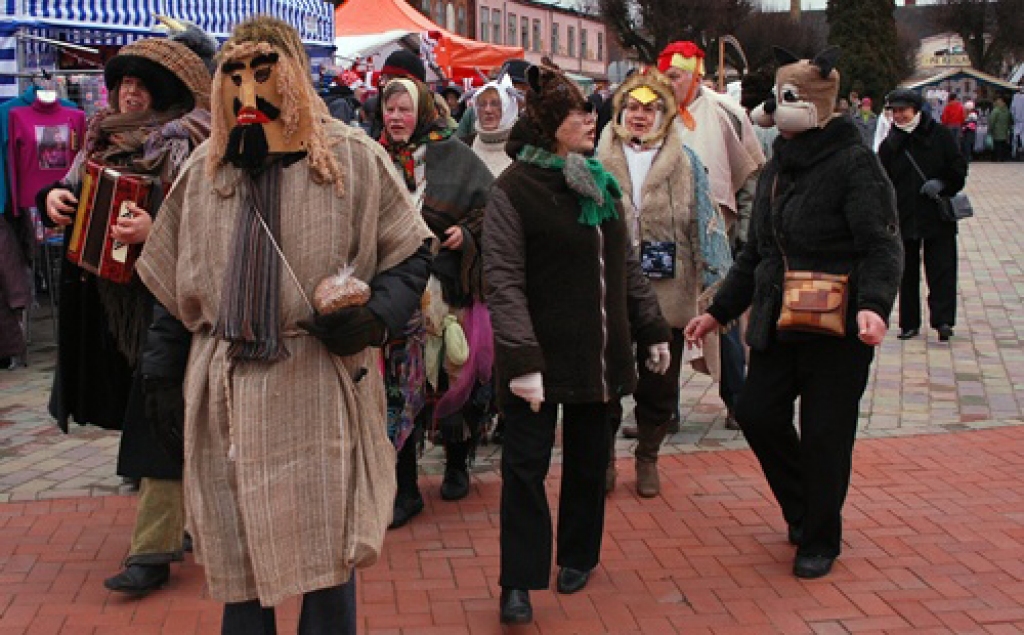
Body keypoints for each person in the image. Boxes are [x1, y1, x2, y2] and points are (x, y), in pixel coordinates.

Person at [135, 17, 434, 633]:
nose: (248, 93)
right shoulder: (205, 170)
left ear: (294, 75)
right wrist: (160, 374)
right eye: (234, 77)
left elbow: (410, 252)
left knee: (326, 551)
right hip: (225, 392)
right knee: (238, 552)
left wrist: (375, 317)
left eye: (263, 74)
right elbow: (170, 284)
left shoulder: (350, 159)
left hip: (316, 385)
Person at [685, 46, 903, 580]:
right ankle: (805, 507)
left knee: (828, 433)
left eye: (788, 99)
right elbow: (757, 250)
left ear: (816, 105)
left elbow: (882, 244)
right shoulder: (781, 160)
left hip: (839, 325)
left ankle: (819, 537)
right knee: (758, 412)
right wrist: (718, 311)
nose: (774, 111)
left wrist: (873, 307)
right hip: (778, 320)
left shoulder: (855, 162)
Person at [484, 58, 671, 624]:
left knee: (590, 462)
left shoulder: (599, 180)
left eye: (591, 112)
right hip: (536, 357)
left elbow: (627, 268)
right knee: (525, 467)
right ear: (547, 125)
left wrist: (652, 329)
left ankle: (579, 554)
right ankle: (518, 580)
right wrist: (520, 360)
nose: (594, 121)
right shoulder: (514, 190)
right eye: (579, 115)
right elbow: (502, 280)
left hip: (599, 353)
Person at [37, 28, 215, 594]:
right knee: (166, 413)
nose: (129, 94)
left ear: (162, 93)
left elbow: (207, 218)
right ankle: (183, 523)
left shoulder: (189, 140)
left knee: (156, 411)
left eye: (141, 86)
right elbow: (66, 192)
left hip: (171, 300)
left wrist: (154, 225)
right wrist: (54, 201)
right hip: (115, 302)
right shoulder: (100, 138)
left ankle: (153, 550)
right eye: (124, 84)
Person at [596, 68, 732, 497]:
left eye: (650, 108)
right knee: (606, 381)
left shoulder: (686, 162)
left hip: (667, 292)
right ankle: (603, 460)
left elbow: (706, 223)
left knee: (659, 380)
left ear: (665, 114)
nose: (640, 116)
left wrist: (715, 286)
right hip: (609, 291)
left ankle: (648, 456)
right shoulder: (595, 160)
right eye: (633, 107)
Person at [378, 77, 495, 528]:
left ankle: (456, 463)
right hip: (393, 290)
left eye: (404, 109)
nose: (395, 117)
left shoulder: (453, 154)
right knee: (402, 387)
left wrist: (465, 234)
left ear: (423, 110)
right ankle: (405, 488)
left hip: (445, 288)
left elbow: (490, 207)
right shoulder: (374, 155)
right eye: (389, 109)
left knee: (451, 373)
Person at [647, 41, 765, 435]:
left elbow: (749, 179)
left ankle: (738, 402)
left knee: (724, 321)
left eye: (674, 76)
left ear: (695, 74)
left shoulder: (726, 113)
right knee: (664, 325)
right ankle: (664, 410)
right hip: (664, 240)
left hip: (717, 238)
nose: (666, 83)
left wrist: (746, 236)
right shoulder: (652, 114)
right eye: (663, 76)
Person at [878, 88, 968, 342]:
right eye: (894, 111)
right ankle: (909, 323)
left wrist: (943, 183)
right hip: (903, 216)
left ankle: (942, 320)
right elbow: (881, 180)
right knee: (905, 273)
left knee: (941, 269)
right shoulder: (890, 144)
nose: (898, 116)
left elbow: (958, 168)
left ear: (916, 111)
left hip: (936, 215)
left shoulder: (939, 135)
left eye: (903, 111)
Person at [463, 74, 518, 176]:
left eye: (495, 104)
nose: (487, 110)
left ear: (508, 108)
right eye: (482, 104)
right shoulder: (464, 146)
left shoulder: (523, 148)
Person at [988, 96, 1013, 162]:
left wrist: (990, 130)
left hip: (996, 131)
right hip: (1005, 132)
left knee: (997, 145)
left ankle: (996, 158)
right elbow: (1010, 121)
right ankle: (1002, 158)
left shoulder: (995, 111)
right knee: (1003, 145)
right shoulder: (1007, 110)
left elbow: (991, 121)